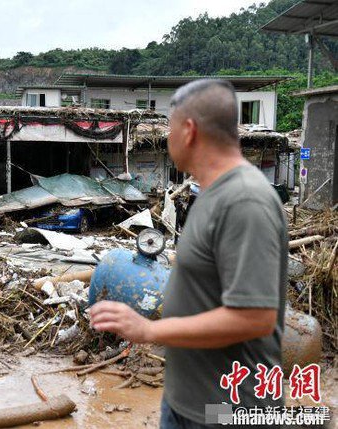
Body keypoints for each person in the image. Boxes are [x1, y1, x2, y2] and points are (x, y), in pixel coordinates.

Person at [89, 79, 288, 428]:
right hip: (189, 404)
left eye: (169, 127)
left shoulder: (245, 201)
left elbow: (255, 317)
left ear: (189, 130)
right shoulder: (210, 194)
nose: (166, 139)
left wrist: (149, 331)